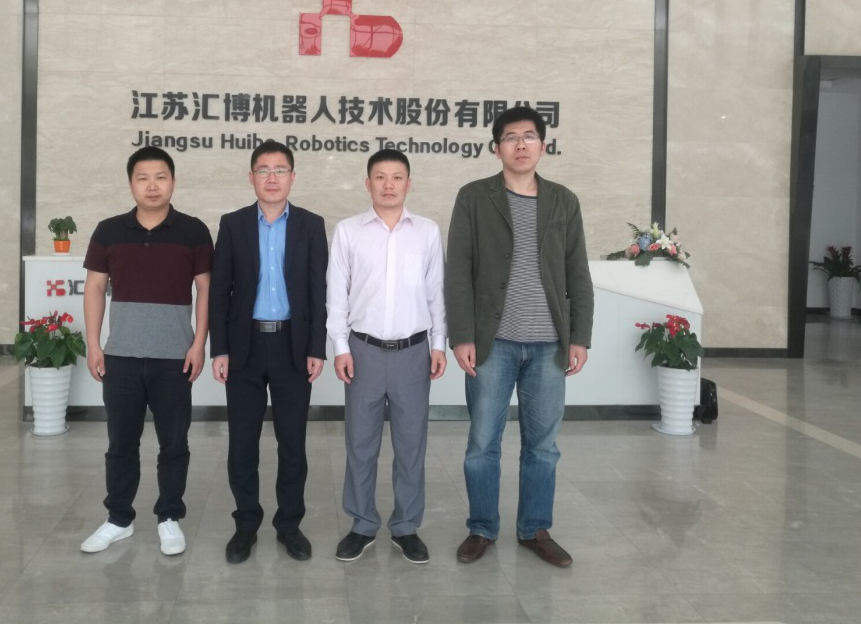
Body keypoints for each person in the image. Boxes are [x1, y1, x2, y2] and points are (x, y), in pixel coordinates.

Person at [445, 105, 593, 567]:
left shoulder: (563, 201)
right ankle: (481, 528)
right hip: (493, 343)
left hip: (549, 345)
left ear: (543, 146)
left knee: (543, 446)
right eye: (511, 137)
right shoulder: (474, 197)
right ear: (497, 148)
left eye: (529, 136)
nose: (521, 144)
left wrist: (580, 336)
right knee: (482, 444)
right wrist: (461, 335)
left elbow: (577, 272)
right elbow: (458, 270)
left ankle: (535, 529)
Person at [79, 146, 212, 556]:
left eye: (160, 177)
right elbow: (95, 287)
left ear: (173, 181)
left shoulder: (193, 231)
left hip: (175, 359)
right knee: (121, 443)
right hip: (120, 356)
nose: (152, 186)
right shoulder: (108, 231)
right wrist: (94, 343)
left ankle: (169, 517)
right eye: (143, 178)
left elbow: (205, 290)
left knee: (174, 443)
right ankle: (118, 518)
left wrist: (199, 343)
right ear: (131, 184)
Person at [209, 140, 328, 564]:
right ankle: (245, 524)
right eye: (263, 170)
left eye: (280, 170)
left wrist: (317, 348)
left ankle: (289, 525)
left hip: (293, 346)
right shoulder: (233, 224)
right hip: (244, 347)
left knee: (292, 442)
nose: (272, 177)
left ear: (293, 177)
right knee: (242, 442)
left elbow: (318, 290)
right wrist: (219, 348)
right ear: (251, 177)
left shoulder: (311, 225)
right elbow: (219, 291)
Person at [327, 149, 447, 565]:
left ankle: (406, 526)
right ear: (368, 183)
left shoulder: (427, 232)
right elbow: (336, 296)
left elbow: (436, 293)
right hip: (363, 351)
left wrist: (438, 343)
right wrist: (340, 348)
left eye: (397, 177)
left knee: (411, 445)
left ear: (408, 184)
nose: (389, 184)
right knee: (361, 445)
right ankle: (362, 524)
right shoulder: (348, 232)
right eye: (380, 177)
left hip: (413, 352)